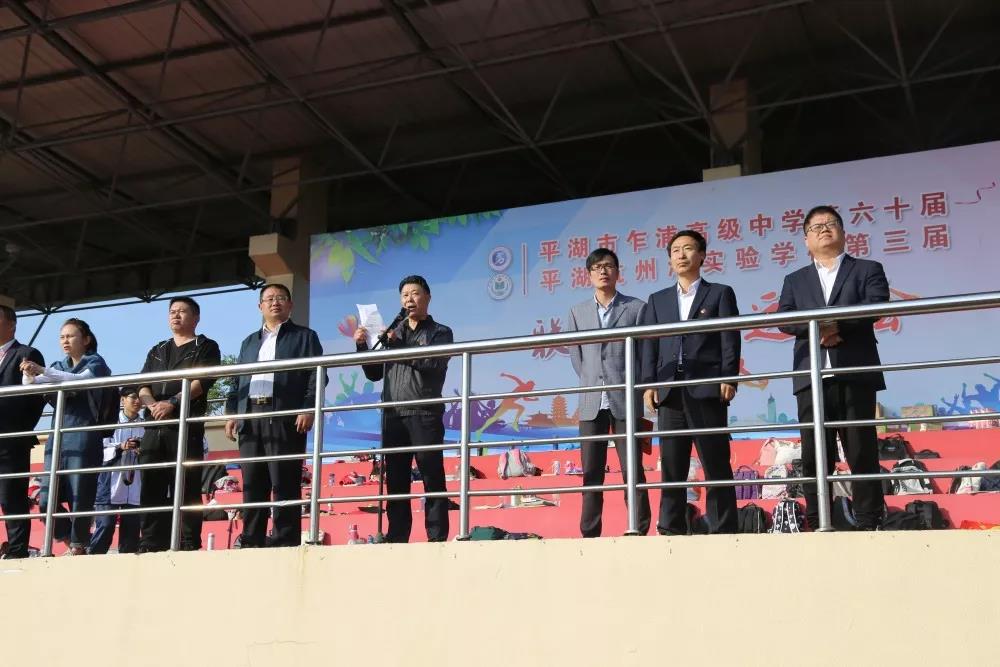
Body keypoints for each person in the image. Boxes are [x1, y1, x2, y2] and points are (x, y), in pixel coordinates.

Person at [777, 205, 889, 531]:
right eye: (816, 226)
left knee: (861, 450)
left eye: (830, 223)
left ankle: (869, 521)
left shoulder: (867, 269)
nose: (824, 229)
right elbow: (784, 318)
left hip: (854, 372)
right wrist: (820, 328)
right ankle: (818, 521)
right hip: (810, 377)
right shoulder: (795, 280)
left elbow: (876, 304)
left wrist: (835, 325)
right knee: (815, 456)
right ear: (806, 240)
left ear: (842, 231)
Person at [641, 230, 740, 535]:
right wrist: (649, 384)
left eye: (688, 249)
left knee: (715, 462)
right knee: (672, 465)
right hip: (670, 390)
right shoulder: (657, 300)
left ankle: (723, 528)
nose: (681, 255)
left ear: (702, 255)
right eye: (675, 250)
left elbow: (730, 337)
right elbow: (649, 344)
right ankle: (669, 528)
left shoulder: (719, 293)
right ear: (669, 259)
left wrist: (729, 377)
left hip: (707, 387)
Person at [354, 275, 453, 543]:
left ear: (427, 297)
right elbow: (374, 373)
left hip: (424, 412)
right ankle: (397, 537)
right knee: (396, 480)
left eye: (415, 293)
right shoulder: (393, 332)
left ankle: (437, 537)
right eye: (405, 295)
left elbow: (433, 364)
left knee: (432, 476)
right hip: (393, 415)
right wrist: (362, 345)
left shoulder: (440, 332)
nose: (409, 299)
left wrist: (398, 345)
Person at [224, 284, 324, 548]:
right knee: (252, 483)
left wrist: (307, 407)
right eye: (268, 299)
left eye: (280, 298)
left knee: (284, 481)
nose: (274, 302)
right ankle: (251, 539)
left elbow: (317, 376)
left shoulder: (305, 337)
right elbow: (236, 382)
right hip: (250, 417)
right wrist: (232, 413)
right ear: (260, 306)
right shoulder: (248, 342)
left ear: (290, 304)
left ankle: (284, 539)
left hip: (284, 415)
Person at [566, 248, 651, 537]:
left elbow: (643, 353)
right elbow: (577, 357)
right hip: (591, 400)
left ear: (617, 271)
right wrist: (593, 380)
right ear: (588, 274)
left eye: (608, 266)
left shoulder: (636, 308)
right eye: (597, 267)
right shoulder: (577, 312)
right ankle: (590, 532)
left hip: (625, 397)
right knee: (591, 470)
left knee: (632, 469)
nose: (603, 271)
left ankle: (638, 528)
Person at [21, 318, 112, 555]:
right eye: (62, 337)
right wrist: (29, 374)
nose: (65, 341)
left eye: (71, 336)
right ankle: (71, 539)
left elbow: (82, 380)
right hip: (57, 438)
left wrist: (43, 370)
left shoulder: (95, 362)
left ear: (86, 339)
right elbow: (32, 385)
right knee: (45, 499)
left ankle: (78, 544)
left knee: (80, 495)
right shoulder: (58, 365)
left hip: (84, 435)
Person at [137, 297, 220, 552]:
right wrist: (153, 405)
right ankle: (151, 541)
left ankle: (188, 541)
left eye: (182, 311)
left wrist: (172, 402)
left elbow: (201, 382)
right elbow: (142, 385)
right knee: (151, 484)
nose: (176, 316)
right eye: (172, 311)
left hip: (185, 425)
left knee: (186, 485)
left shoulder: (206, 346)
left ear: (196, 318)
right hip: (154, 425)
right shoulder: (158, 349)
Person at [0, 306, 45, 560]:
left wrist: (19, 427)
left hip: (11, 440)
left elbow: (37, 398)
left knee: (11, 496)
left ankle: (17, 550)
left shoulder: (27, 354)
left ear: (11, 325)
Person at [88, 387, 144, 555]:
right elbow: (100, 450)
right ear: (122, 400)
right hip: (109, 481)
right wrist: (120, 447)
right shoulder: (110, 422)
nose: (137, 401)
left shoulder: (146, 425)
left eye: (139, 398)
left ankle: (129, 563)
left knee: (131, 531)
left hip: (135, 483)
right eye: (133, 397)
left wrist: (143, 451)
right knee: (105, 525)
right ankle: (93, 558)